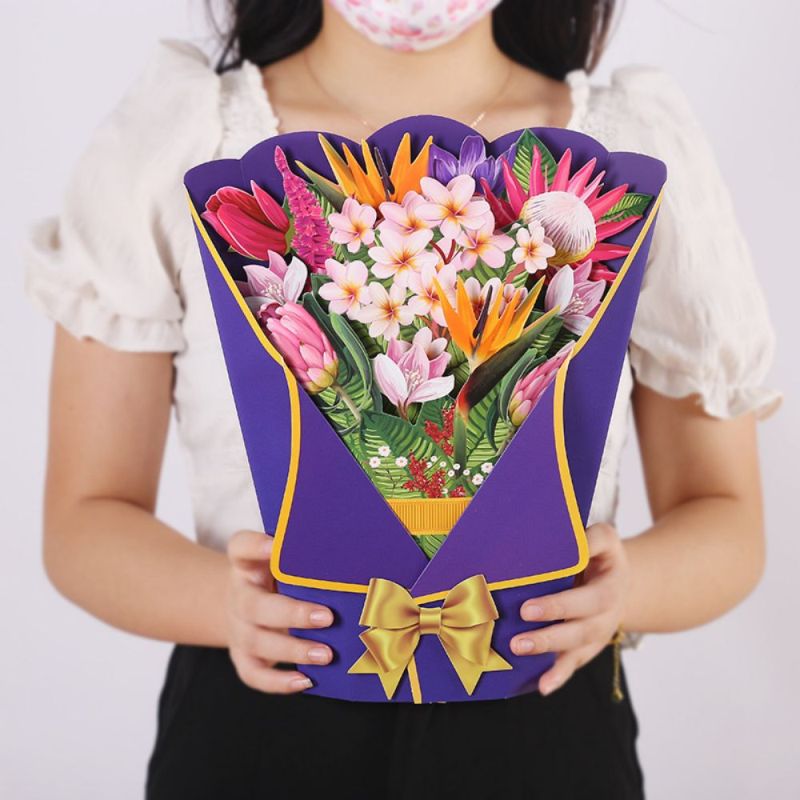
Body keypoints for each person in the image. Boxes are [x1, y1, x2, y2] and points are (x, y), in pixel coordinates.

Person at [24, 1, 781, 798]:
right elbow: (84, 522)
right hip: (255, 731)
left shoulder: (629, 150)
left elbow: (726, 518)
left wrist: (626, 590)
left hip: (549, 732)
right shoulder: (179, 139)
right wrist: (220, 603)